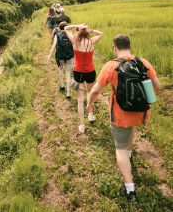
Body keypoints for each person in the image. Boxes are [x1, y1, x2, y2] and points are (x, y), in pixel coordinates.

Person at [86, 34, 161, 203]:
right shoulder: (143, 62)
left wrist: (89, 104)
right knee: (130, 130)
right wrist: (141, 99)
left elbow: (96, 90)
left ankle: (130, 190)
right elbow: (157, 87)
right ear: (129, 46)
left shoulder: (111, 66)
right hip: (140, 113)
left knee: (119, 147)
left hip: (120, 114)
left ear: (115, 48)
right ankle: (129, 154)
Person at [64, 24, 103, 133]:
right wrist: (91, 30)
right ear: (87, 32)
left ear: (78, 31)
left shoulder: (74, 41)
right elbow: (101, 34)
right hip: (90, 72)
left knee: (80, 100)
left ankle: (82, 125)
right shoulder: (91, 41)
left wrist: (78, 25)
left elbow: (65, 28)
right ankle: (90, 114)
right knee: (90, 93)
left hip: (78, 73)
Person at [47, 22, 74, 99]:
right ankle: (68, 93)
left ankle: (62, 86)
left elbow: (53, 46)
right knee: (68, 74)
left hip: (60, 57)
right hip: (70, 57)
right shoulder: (71, 35)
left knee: (61, 71)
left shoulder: (57, 35)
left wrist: (49, 56)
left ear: (59, 28)